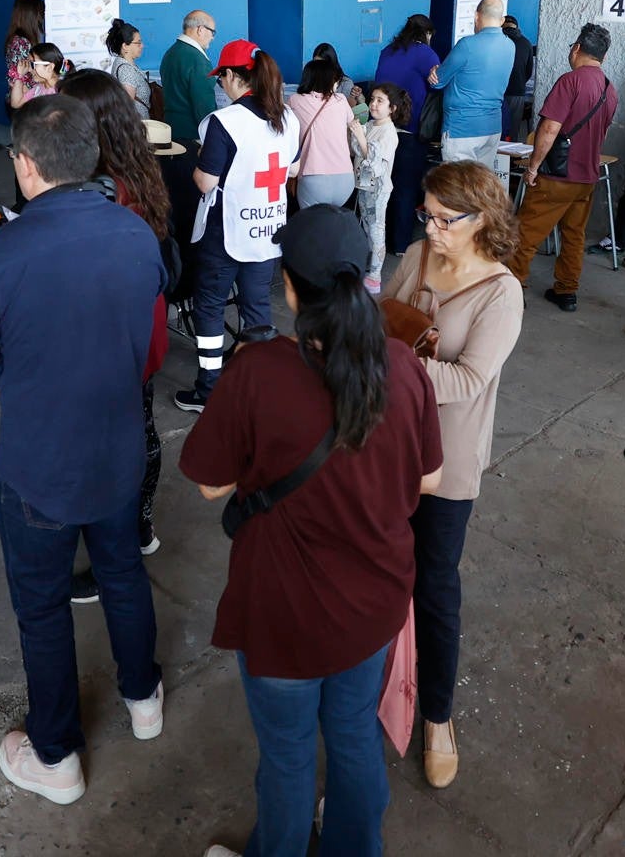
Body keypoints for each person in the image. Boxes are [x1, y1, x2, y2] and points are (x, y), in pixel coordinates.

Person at [182, 205, 443, 857]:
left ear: (290, 290)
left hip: (284, 615)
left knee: (290, 755)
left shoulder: (258, 372)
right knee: (354, 734)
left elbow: (210, 484)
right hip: (375, 606)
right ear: (367, 277)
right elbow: (428, 483)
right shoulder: (404, 369)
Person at [0, 94, 166, 805]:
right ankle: (144, 701)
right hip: (119, 451)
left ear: (23, 164)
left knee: (42, 609)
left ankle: (57, 758)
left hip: (41, 469)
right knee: (124, 572)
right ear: (92, 157)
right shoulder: (138, 236)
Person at [380, 162, 522, 789]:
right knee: (380, 570)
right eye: (427, 214)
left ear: (483, 218)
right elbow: (384, 314)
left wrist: (384, 362)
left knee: (434, 585)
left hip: (449, 457)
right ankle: (379, 682)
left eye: (445, 219)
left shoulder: (501, 292)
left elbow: (468, 381)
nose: (432, 228)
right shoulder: (415, 254)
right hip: (387, 445)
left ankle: (437, 714)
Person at [55, 69, 176, 603]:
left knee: (114, 447)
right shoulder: (135, 166)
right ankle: (141, 528)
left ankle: (116, 555)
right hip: (139, 326)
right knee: (140, 428)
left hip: (110, 335)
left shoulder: (103, 188)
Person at [177, 41, 300, 414]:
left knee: (211, 307)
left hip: (225, 232)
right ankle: (258, 383)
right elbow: (292, 171)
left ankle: (209, 389)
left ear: (233, 76)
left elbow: (205, 182)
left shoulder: (225, 122)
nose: (222, 86)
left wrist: (201, 162)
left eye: (222, 78)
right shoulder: (288, 117)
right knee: (257, 305)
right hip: (269, 229)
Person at [510, 23, 619, 311]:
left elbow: (549, 129)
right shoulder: (610, 89)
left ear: (576, 48)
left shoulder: (570, 82)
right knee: (574, 236)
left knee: (526, 233)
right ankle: (567, 291)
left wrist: (533, 167)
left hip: (556, 176)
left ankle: (512, 287)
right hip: (587, 178)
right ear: (604, 57)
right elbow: (602, 135)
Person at [373, 15, 440, 254]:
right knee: (406, 187)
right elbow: (438, 84)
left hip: (383, 127)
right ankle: (400, 244)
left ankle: (381, 241)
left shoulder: (387, 50)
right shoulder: (426, 53)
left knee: (384, 185)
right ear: (427, 33)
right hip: (411, 129)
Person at [161, 10, 221, 269]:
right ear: (199, 29)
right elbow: (205, 108)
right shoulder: (197, 60)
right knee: (192, 211)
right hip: (192, 142)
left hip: (170, 138)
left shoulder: (170, 54)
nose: (212, 38)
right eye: (211, 32)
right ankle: (192, 270)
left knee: (176, 205)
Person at [429, 0, 515, 167]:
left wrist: (434, 71)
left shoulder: (467, 45)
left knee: (457, 188)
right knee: (480, 186)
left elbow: (437, 81)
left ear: (476, 16)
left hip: (462, 128)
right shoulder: (510, 46)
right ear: (502, 20)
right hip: (492, 127)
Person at [288, 59, 360, 209]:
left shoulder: (294, 101)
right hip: (345, 179)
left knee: (313, 227)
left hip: (313, 179)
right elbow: (352, 122)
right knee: (334, 224)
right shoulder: (340, 100)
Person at [354, 84, 406, 290]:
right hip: (364, 187)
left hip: (377, 190)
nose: (373, 104)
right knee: (367, 227)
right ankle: (368, 268)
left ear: (392, 108)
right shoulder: (371, 125)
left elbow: (374, 164)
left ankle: (375, 277)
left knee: (376, 230)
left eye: (380, 101)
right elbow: (356, 150)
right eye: (372, 99)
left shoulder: (388, 132)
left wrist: (359, 135)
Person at [101, 19, 151, 119]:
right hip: (137, 127)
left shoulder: (121, 63)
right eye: (138, 43)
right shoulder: (126, 71)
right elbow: (127, 108)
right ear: (125, 46)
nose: (142, 46)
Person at [3, 0, 46, 107]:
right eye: (40, 13)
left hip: (20, 97)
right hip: (23, 100)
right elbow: (24, 76)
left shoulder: (16, 38)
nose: (41, 18)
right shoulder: (22, 42)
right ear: (32, 15)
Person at [499, 14, 536, 141]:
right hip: (517, 92)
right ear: (517, 27)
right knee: (512, 131)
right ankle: (510, 159)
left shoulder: (498, 41)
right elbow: (529, 71)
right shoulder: (526, 43)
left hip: (496, 91)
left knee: (494, 131)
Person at [8, 43, 66, 111]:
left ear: (49, 67)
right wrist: (19, 77)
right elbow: (16, 104)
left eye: (33, 64)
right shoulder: (39, 88)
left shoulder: (59, 93)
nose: (29, 70)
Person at [313, 43, 364, 109]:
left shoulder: (345, 83)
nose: (318, 68)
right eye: (315, 63)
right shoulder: (312, 80)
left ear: (331, 63)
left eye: (322, 64)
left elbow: (347, 111)